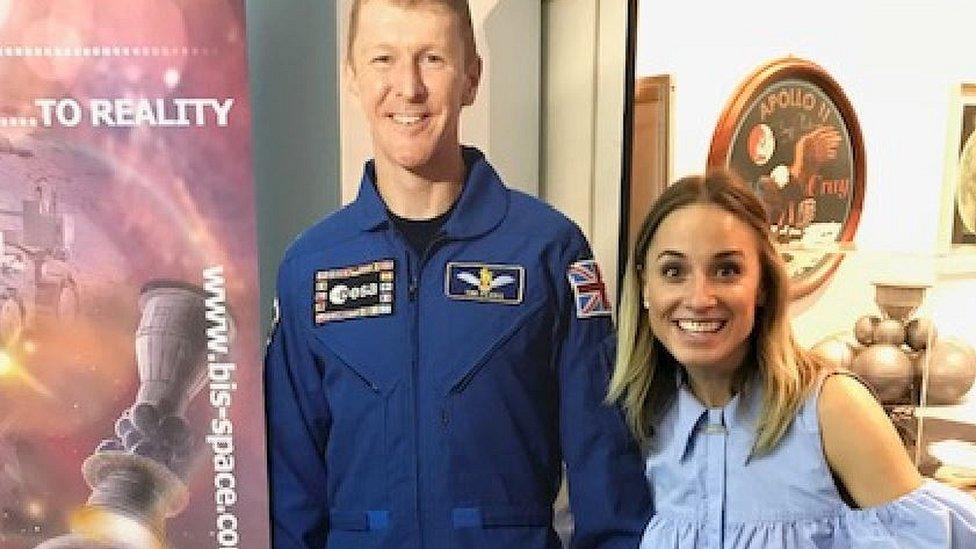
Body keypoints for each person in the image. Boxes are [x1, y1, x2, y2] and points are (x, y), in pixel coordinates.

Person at [264, 0, 650, 547]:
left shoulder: (548, 251)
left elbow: (608, 477)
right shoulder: (310, 268)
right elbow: (291, 500)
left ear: (471, 78)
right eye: (382, 59)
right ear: (352, 77)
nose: (408, 87)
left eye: (432, 59)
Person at [608, 171, 976, 548]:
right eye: (674, 271)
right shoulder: (641, 416)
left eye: (727, 270)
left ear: (764, 286)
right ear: (645, 287)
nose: (700, 298)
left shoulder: (833, 409)